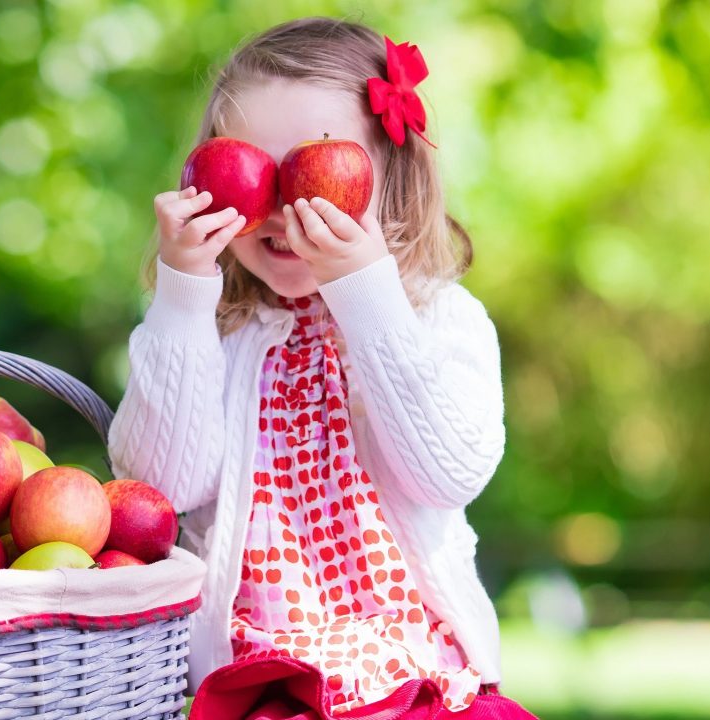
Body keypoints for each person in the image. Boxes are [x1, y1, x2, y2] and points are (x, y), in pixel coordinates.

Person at [107, 16, 537, 720]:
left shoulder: (438, 317)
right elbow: (159, 488)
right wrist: (183, 290)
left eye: (311, 169)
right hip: (262, 683)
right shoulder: (212, 332)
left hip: (418, 678)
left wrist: (365, 289)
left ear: (389, 177)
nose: (280, 208)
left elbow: (449, 470)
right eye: (251, 171)